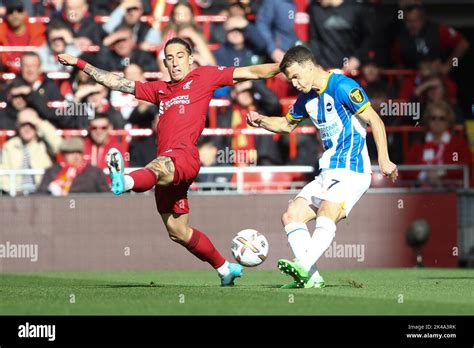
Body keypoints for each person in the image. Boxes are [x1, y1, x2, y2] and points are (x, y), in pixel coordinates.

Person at [57, 38, 280, 286]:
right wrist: (80, 63)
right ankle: (225, 268)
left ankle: (126, 180)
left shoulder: (204, 76)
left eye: (179, 56)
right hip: (168, 170)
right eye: (169, 58)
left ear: (190, 58)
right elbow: (117, 82)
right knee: (178, 232)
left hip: (184, 157)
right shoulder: (159, 90)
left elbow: (251, 71)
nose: (175, 63)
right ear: (164, 63)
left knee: (160, 164)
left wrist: (285, 66)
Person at [246, 46, 398, 288]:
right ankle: (312, 279)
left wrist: (384, 159)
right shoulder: (306, 99)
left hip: (353, 170)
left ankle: (303, 266)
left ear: (309, 65)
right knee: (291, 215)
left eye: (296, 76)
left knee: (328, 209)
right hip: (327, 172)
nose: (294, 83)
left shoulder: (343, 86)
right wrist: (262, 120)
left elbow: (375, 120)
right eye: (290, 79)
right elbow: (286, 125)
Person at [404, 101, 471, 188]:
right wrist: (425, 175)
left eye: (441, 118)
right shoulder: (419, 144)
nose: (437, 122)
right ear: (428, 120)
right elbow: (407, 170)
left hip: (451, 194)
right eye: (433, 118)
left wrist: (440, 174)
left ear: (448, 121)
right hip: (421, 193)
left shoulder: (458, 144)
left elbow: (465, 167)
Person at [0, 108, 62, 195]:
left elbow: (59, 145)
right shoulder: (10, 146)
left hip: (42, 193)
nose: (27, 128)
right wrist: (13, 190)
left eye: (31, 125)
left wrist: (38, 122)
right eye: (23, 125)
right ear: (18, 126)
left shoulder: (44, 143)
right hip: (16, 195)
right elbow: (3, 173)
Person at [37, 137, 110, 195]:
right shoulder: (52, 172)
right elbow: (41, 195)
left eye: (78, 152)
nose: (76, 156)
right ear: (64, 155)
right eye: (71, 152)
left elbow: (106, 196)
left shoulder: (94, 172)